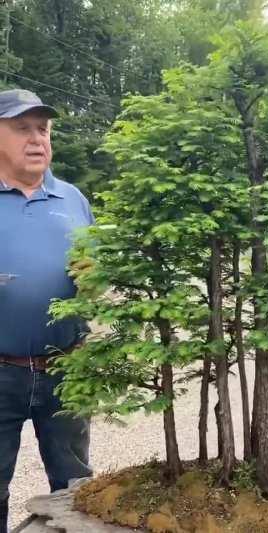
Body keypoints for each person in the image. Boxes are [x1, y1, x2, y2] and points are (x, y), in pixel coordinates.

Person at [0, 89, 94, 533]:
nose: (36, 139)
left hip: (66, 367)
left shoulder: (73, 199)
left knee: (75, 486)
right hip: (0, 373)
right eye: (22, 128)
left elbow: (95, 276)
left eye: (44, 129)